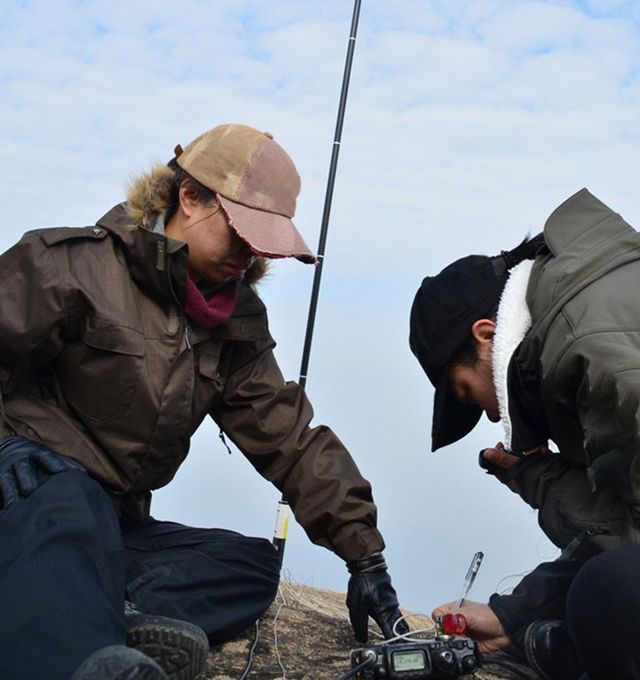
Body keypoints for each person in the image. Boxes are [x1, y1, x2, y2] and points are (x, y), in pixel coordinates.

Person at [0, 123, 406, 680]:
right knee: (70, 501)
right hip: (31, 500)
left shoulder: (235, 319)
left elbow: (287, 437)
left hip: (116, 525)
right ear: (189, 196)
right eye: (242, 231)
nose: (250, 252)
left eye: (263, 238)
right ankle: (78, 655)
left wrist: (364, 554)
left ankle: (93, 619)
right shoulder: (68, 266)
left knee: (250, 568)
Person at [409, 188, 640, 680]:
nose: (488, 415)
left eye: (466, 393)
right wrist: (516, 615)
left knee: (611, 592)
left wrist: (540, 479)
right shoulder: (596, 309)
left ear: (486, 335)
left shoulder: (594, 348)